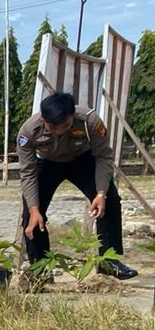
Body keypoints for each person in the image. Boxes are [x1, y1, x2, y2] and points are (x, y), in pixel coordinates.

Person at [17, 91, 136, 279]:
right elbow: (27, 172)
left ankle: (108, 261)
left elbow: (103, 157)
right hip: (48, 163)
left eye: (65, 126)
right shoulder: (28, 132)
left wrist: (101, 193)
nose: (59, 132)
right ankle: (41, 270)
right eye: (52, 128)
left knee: (111, 200)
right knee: (31, 215)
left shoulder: (90, 121)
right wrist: (33, 208)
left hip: (82, 160)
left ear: (72, 115)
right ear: (43, 119)